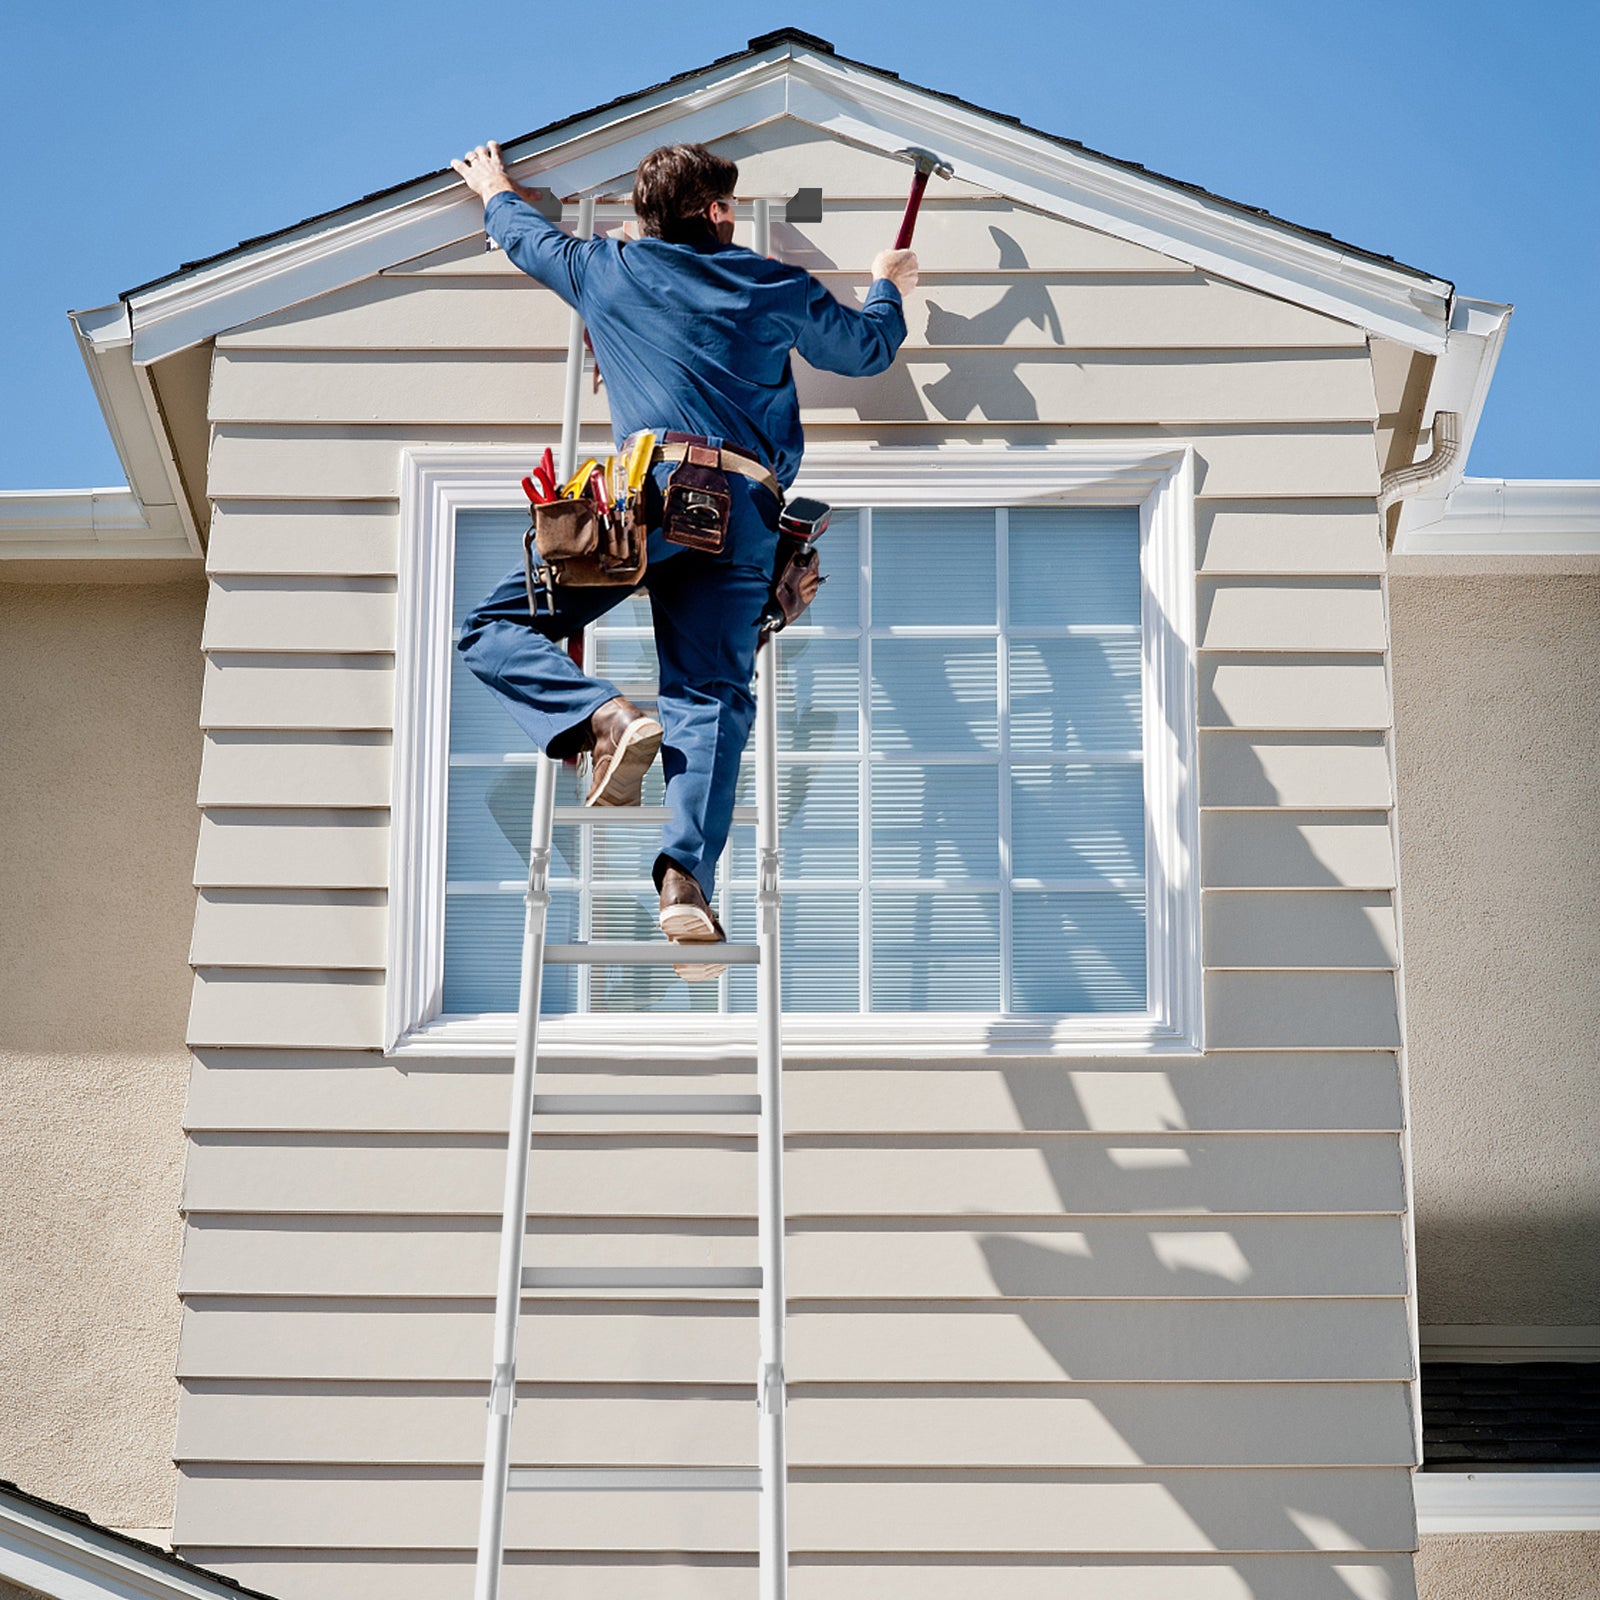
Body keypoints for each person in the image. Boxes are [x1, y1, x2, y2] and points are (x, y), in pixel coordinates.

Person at [450, 139, 916, 974]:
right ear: (718, 212)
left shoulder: (606, 271)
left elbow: (528, 241)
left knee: (492, 627)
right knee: (709, 698)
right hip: (743, 512)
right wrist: (889, 285)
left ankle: (602, 719)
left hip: (651, 497)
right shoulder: (768, 283)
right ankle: (684, 882)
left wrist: (495, 190)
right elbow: (866, 349)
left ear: (646, 218)